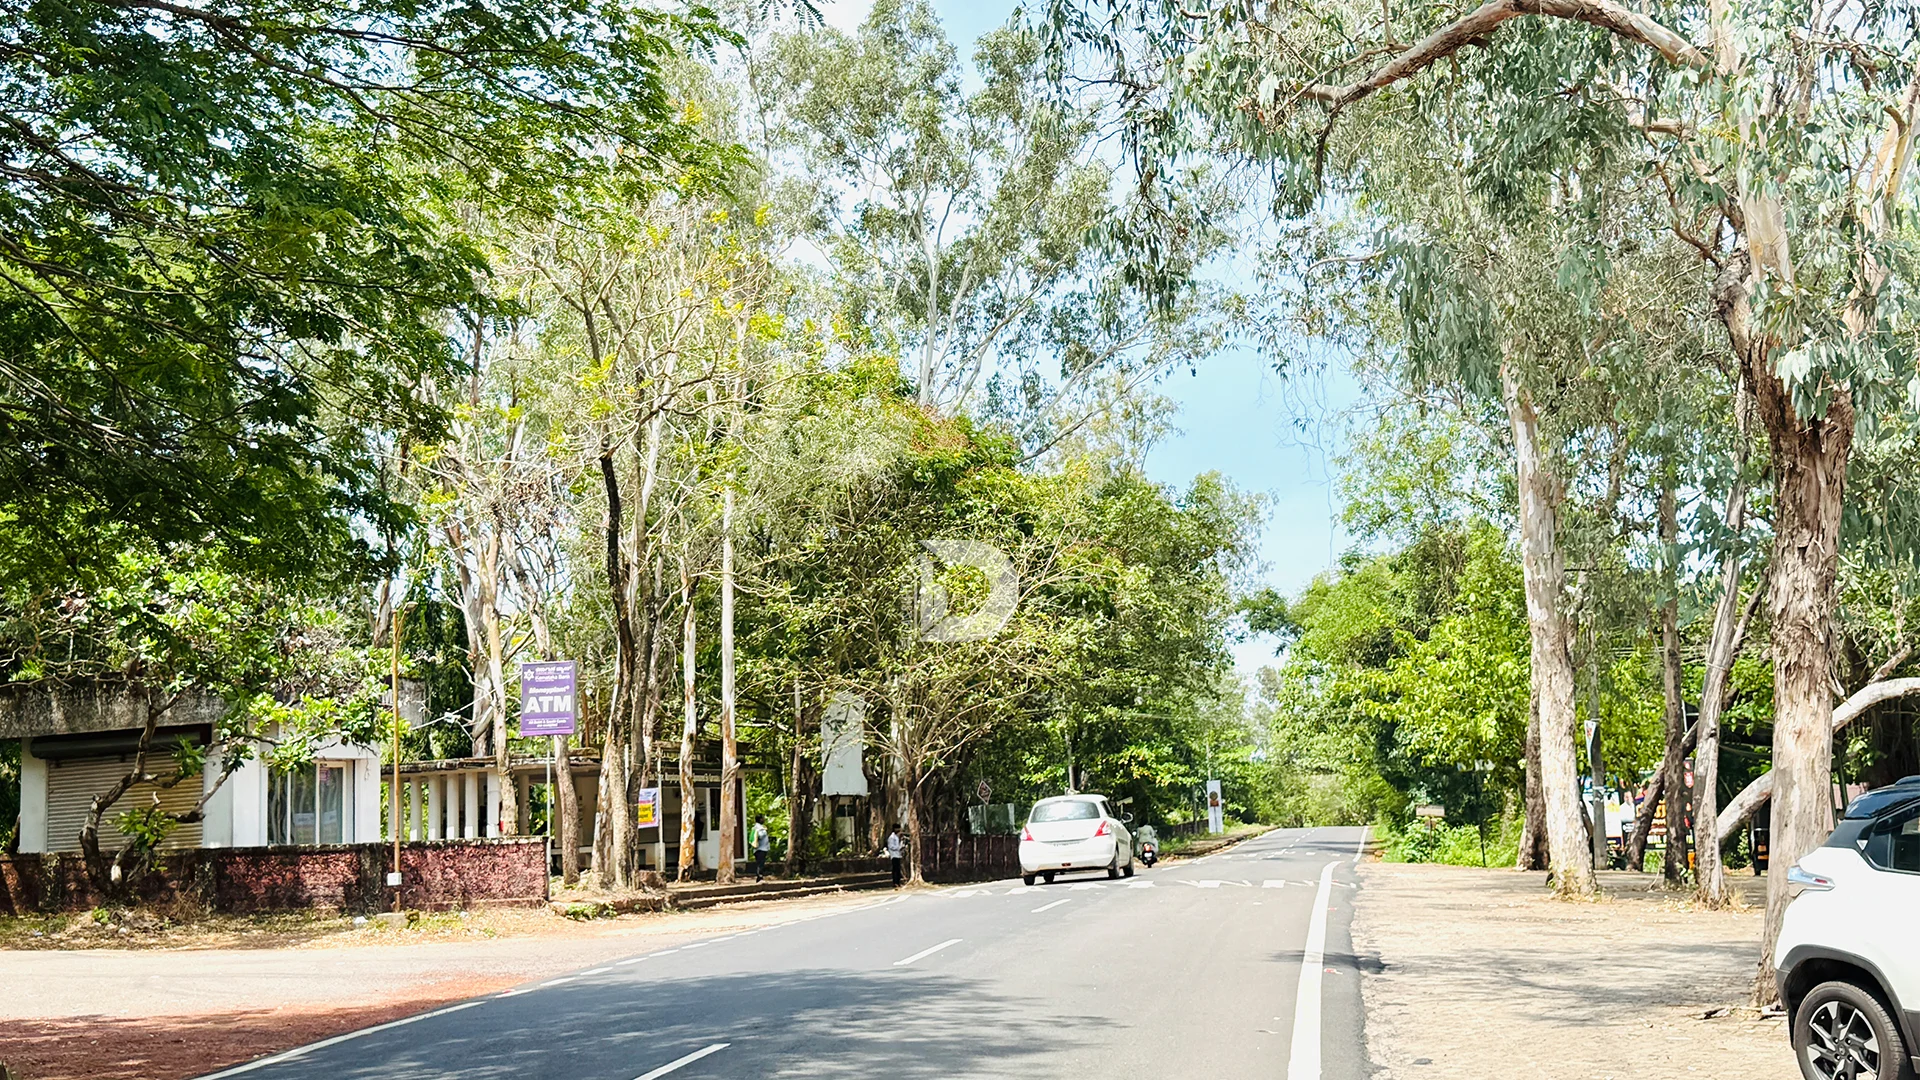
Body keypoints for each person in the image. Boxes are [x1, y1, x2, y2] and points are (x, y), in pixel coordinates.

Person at [749, 815, 771, 881]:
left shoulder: (755, 827)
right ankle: (759, 876)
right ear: (760, 819)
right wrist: (764, 831)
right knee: (760, 863)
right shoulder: (760, 828)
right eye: (763, 818)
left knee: (759, 862)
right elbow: (760, 836)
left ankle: (759, 876)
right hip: (761, 848)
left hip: (758, 848)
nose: (764, 820)